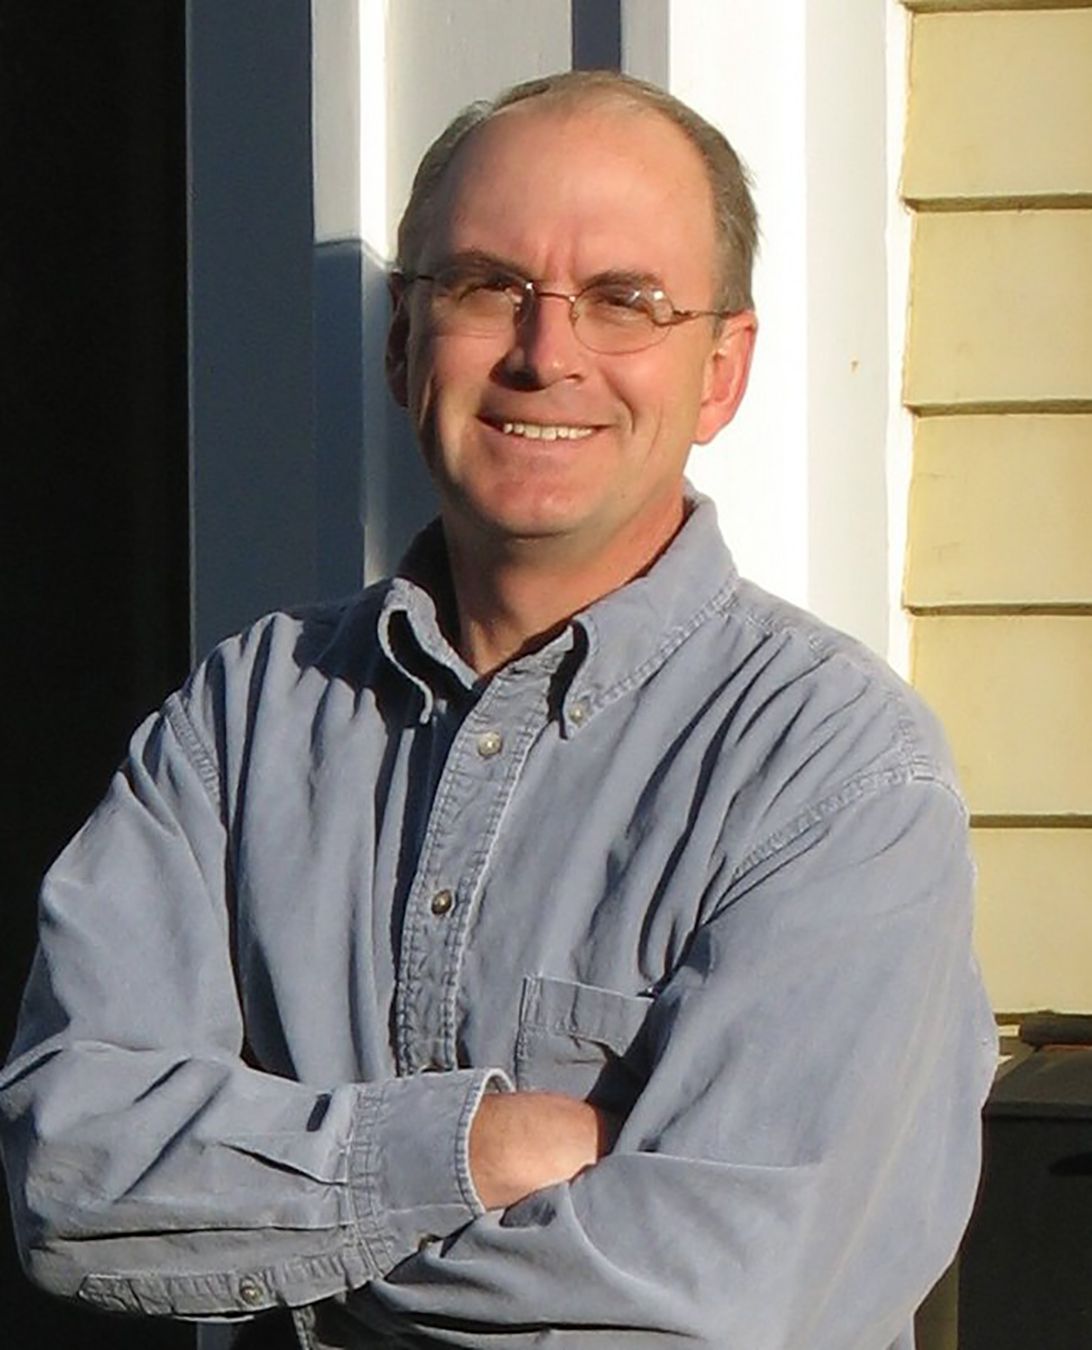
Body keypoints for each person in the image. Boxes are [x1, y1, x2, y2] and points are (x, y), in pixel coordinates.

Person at [1, 70, 995, 1349]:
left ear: (721, 372)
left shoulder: (834, 773)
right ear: (404, 341)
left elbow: (718, 1304)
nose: (545, 353)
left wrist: (271, 1239)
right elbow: (67, 1174)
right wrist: (472, 1150)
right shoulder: (245, 720)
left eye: (626, 301)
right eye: (483, 287)